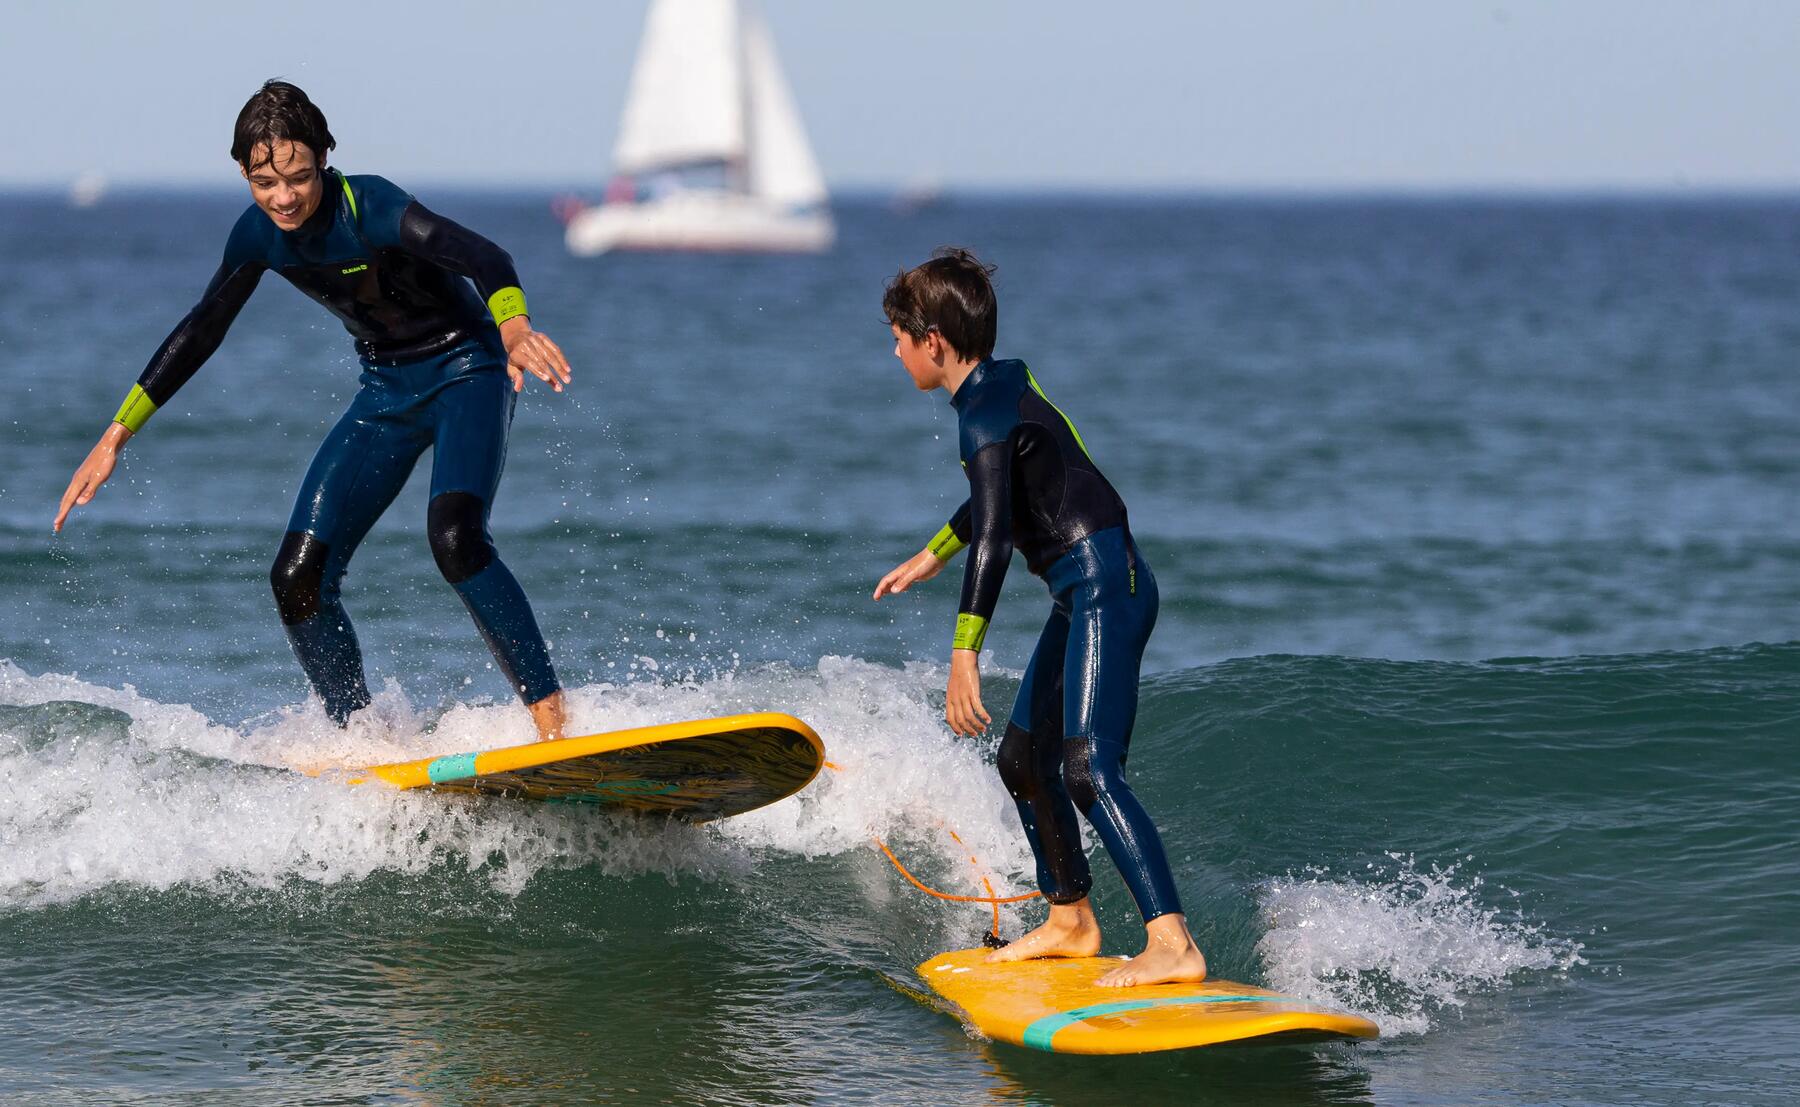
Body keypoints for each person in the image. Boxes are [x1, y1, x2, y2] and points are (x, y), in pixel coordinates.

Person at [54, 81, 573, 741]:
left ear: (325, 158)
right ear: (243, 172)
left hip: (468, 367)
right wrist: (115, 435)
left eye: (299, 177)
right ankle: (359, 735)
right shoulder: (258, 237)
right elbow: (201, 329)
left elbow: (483, 257)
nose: (285, 197)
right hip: (386, 388)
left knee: (455, 536)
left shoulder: (372, 206)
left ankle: (552, 718)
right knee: (297, 576)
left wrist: (513, 328)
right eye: (265, 181)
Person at [873, 248, 1206, 987]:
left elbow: (995, 536)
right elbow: (998, 496)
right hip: (1085, 589)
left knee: (1090, 770)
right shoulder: (1000, 387)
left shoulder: (982, 415)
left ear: (932, 340)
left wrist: (965, 652)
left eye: (899, 336)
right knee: (1024, 761)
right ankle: (1071, 919)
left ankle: (1173, 942)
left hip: (1105, 585)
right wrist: (934, 552)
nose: (893, 351)